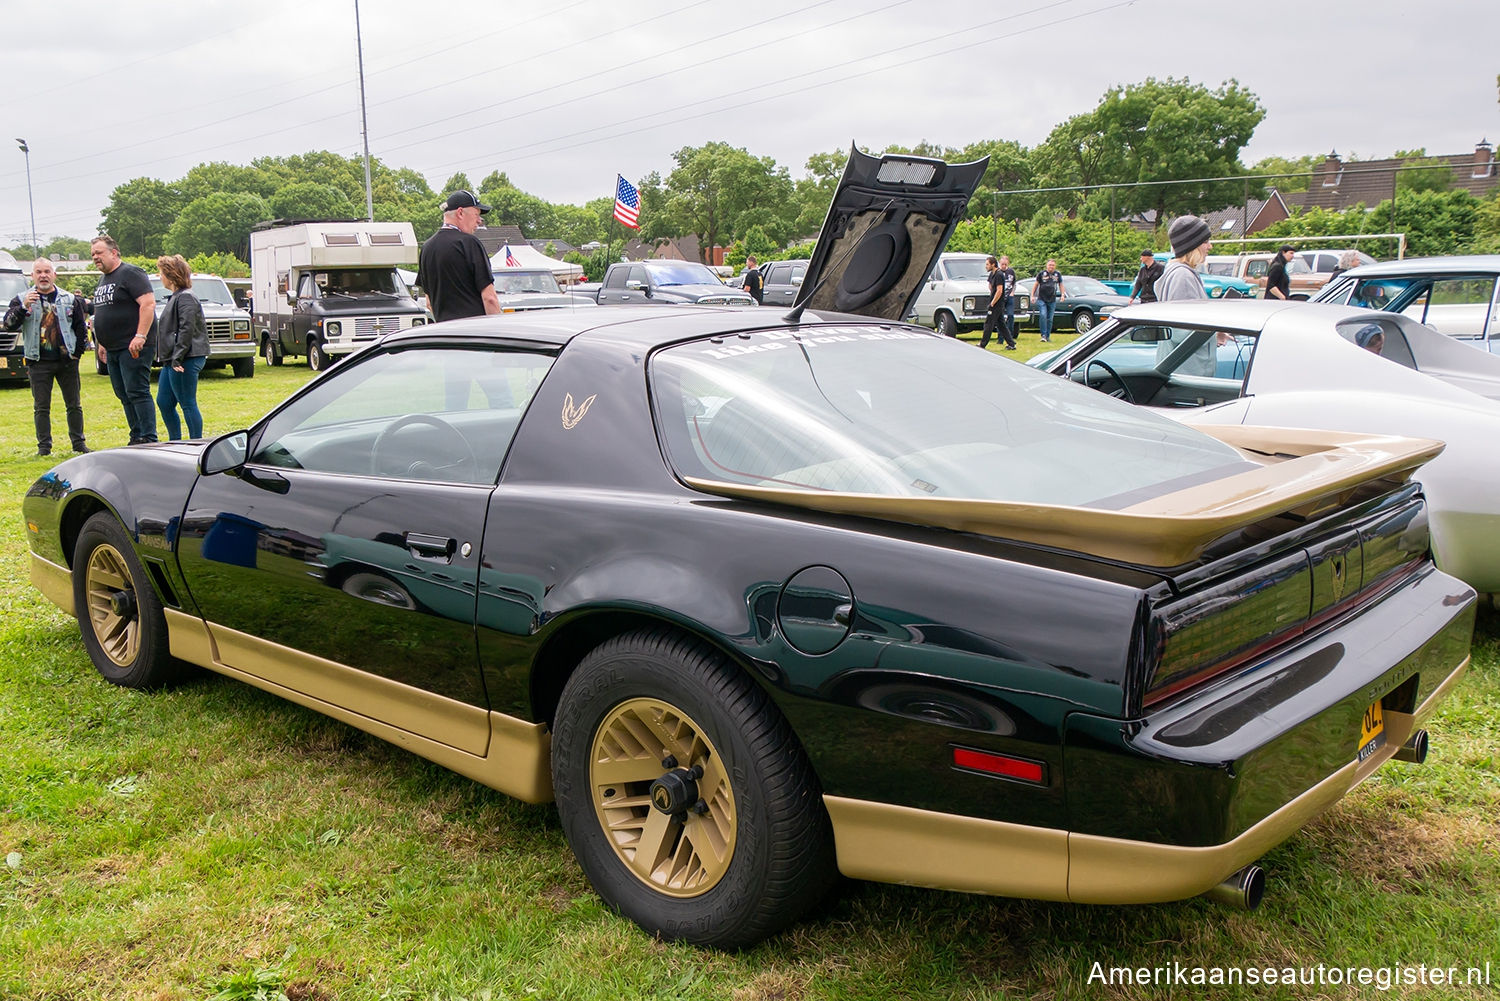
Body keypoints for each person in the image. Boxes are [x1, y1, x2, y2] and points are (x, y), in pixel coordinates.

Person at [2, 259, 91, 457]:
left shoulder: (69, 299)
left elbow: (80, 327)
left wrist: (76, 354)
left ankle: (78, 443)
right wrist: (24, 307)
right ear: (32, 276)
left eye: (47, 271)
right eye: (39, 272)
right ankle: (44, 447)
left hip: (66, 360)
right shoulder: (21, 299)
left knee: (74, 404)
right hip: (38, 360)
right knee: (41, 407)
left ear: (54, 275)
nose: (43, 275)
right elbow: (8, 325)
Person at [91, 235, 158, 444]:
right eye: (93, 254)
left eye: (99, 253)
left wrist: (140, 335)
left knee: (137, 391)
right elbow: (105, 312)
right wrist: (102, 343)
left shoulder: (131, 273)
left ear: (114, 252)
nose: (95, 258)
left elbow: (147, 304)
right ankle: (136, 434)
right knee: (123, 393)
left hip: (133, 346)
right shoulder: (104, 279)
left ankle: (148, 436)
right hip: (113, 348)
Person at [416, 190, 501, 323]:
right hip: (475, 332)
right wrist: (498, 331)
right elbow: (489, 298)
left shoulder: (426, 248)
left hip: (446, 333)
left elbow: (429, 302)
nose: (479, 221)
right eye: (477, 214)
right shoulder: (469, 243)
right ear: (460, 213)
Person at [154, 254, 210, 441]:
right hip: (173, 358)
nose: (159, 276)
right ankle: (175, 441)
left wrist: (178, 357)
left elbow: (187, 328)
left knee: (187, 402)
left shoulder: (185, 297)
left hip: (185, 357)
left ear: (171, 275)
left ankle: (196, 442)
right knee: (164, 402)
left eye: (161, 272)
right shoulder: (176, 297)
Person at [978, 255, 1016, 350]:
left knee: (988, 323)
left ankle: (983, 344)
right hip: (994, 301)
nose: (986, 266)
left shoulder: (999, 274)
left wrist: (993, 303)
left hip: (997, 303)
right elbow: (991, 286)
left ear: (993, 264)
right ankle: (1011, 344)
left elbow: (1000, 290)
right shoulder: (993, 274)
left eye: (987, 264)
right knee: (1001, 324)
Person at [1033, 259, 1066, 342]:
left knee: (1050, 318)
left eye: (1053, 265)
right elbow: (1036, 285)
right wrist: (1032, 295)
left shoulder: (1057, 275)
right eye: (1050, 265)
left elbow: (1061, 285)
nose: (1051, 266)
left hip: (1052, 299)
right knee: (1043, 315)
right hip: (1042, 299)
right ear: (1046, 266)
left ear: (1055, 266)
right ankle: (1043, 335)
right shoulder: (1041, 274)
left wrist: (1062, 295)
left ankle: (1047, 336)